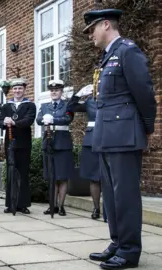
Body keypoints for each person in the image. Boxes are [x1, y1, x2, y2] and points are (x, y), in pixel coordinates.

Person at [83, 9, 156, 269]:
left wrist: (147, 127)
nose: (90, 35)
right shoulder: (106, 58)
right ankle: (117, 242)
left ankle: (129, 250)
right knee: (111, 197)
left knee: (125, 195)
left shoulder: (127, 51)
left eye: (92, 29)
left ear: (106, 24)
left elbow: (144, 93)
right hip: (106, 135)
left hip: (124, 134)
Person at [36, 79, 74, 217]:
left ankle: (61, 205)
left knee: (62, 177)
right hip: (49, 142)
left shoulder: (67, 105)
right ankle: (52, 205)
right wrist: (45, 119)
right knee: (51, 176)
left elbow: (67, 119)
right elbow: (39, 120)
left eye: (56, 90)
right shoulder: (44, 106)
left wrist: (53, 119)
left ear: (61, 91)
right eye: (52, 90)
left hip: (63, 143)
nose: (54, 92)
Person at [0, 78, 36, 214]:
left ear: (24, 90)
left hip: (24, 143)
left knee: (23, 173)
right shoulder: (6, 106)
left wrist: (14, 122)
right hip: (10, 142)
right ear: (12, 90)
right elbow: (0, 121)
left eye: (20, 88)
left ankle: (23, 204)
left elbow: (29, 120)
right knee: (11, 172)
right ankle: (10, 204)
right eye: (15, 88)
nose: (17, 91)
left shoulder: (30, 105)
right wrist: (4, 121)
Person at [66, 84, 103, 220]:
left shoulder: (112, 99)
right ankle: (96, 208)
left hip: (109, 139)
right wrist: (78, 94)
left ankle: (111, 209)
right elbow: (70, 107)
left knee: (110, 178)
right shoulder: (90, 102)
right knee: (94, 178)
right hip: (91, 141)